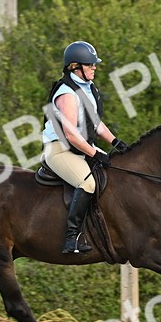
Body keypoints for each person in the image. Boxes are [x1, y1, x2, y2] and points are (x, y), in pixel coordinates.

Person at [41, 41, 129, 253]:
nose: (94, 67)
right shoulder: (67, 94)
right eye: (90, 64)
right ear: (75, 67)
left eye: (93, 64)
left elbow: (96, 124)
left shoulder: (87, 89)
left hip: (80, 149)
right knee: (88, 183)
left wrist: (115, 142)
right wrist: (96, 154)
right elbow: (71, 134)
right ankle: (72, 238)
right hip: (60, 150)